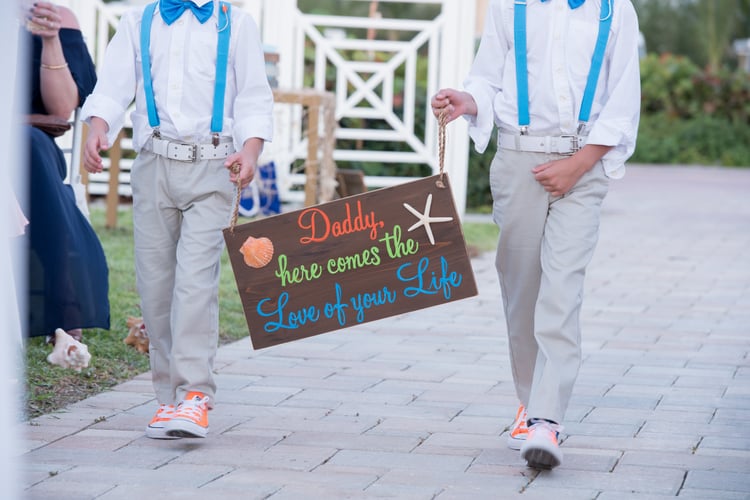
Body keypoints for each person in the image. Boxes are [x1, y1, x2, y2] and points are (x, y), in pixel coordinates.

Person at [431, 0, 641, 469]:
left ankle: (548, 420)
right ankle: (529, 401)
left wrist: (579, 165)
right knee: (522, 288)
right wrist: (468, 101)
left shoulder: (614, 10)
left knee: (562, 287)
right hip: (518, 160)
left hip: (583, 166)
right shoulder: (511, 7)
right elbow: (487, 77)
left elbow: (623, 99)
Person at [81, 0, 274, 439]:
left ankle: (195, 396)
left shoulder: (236, 23)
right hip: (153, 165)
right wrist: (98, 128)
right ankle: (168, 401)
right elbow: (113, 86)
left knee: (194, 280)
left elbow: (253, 97)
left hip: (215, 166)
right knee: (156, 286)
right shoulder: (138, 21)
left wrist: (251, 149)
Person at [22, 1, 110, 343]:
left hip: (29, 144)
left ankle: (63, 304)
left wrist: (50, 39)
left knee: (26, 145)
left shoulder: (60, 18)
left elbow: (61, 110)